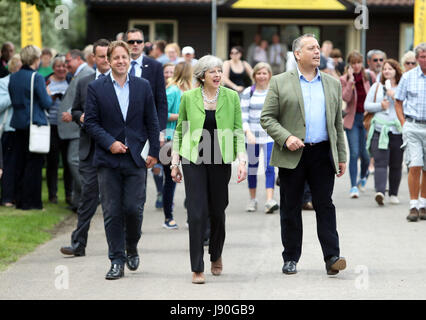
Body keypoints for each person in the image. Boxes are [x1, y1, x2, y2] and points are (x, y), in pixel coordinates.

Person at [260, 33, 347, 276]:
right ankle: (290, 258)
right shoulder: (279, 82)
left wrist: (341, 156)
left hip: (322, 153)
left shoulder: (333, 84)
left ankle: (332, 257)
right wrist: (286, 137)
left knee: (325, 205)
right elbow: (266, 117)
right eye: (311, 48)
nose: (318, 51)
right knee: (290, 207)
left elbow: (337, 125)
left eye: (319, 47)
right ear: (298, 54)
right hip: (292, 153)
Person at [85, 40, 160, 280]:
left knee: (133, 209)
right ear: (108, 60)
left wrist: (154, 152)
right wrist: (110, 143)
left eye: (124, 57)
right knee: (112, 212)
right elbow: (91, 123)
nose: (120, 61)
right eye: (115, 57)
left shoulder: (142, 86)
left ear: (130, 60)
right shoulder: (96, 88)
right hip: (108, 160)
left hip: (136, 159)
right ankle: (116, 260)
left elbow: (152, 121)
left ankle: (132, 246)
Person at [171, 55, 247, 284]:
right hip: (194, 157)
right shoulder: (189, 97)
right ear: (202, 75)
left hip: (219, 158)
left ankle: (216, 253)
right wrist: (175, 162)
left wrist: (242, 160)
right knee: (196, 213)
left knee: (218, 211)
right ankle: (197, 267)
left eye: (219, 71)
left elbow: (237, 130)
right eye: (212, 71)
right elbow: (180, 131)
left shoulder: (231, 97)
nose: (217, 75)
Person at [60, 39, 111, 257]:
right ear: (94, 59)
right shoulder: (84, 82)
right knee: (88, 197)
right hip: (90, 148)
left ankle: (127, 247)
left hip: (115, 150)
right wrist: (83, 118)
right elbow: (76, 110)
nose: (106, 60)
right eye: (102, 57)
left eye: (109, 56)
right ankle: (78, 243)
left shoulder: (125, 83)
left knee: (117, 200)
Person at [125, 28, 168, 208]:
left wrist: (160, 131)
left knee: (141, 175)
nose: (135, 45)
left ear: (144, 44)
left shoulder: (155, 66)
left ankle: (136, 217)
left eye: (139, 41)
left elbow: (161, 101)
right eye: (131, 42)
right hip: (121, 129)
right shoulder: (119, 64)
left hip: (145, 131)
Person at [8, 45, 52, 210]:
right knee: (34, 165)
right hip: (34, 124)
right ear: (36, 59)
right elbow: (46, 103)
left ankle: (19, 200)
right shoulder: (37, 77)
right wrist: (48, 94)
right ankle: (32, 202)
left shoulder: (14, 76)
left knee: (19, 163)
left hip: (18, 123)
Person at [59, 49, 95, 212]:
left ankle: (92, 194)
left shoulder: (87, 73)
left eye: (68, 61)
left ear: (78, 59)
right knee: (76, 162)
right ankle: (78, 202)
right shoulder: (79, 74)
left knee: (73, 160)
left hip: (78, 126)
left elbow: (85, 100)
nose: (66, 65)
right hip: (74, 126)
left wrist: (72, 113)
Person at [364, 59, 404, 206]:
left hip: (397, 130)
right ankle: (380, 192)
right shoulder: (376, 87)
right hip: (380, 129)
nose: (387, 71)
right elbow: (366, 105)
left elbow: (407, 106)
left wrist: (395, 96)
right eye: (385, 69)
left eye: (390, 69)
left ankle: (393, 193)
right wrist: (380, 105)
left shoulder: (402, 87)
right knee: (380, 162)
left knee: (395, 164)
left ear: (396, 71)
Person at [240, 62, 278, 213]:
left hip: (270, 136)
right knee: (252, 168)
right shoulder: (248, 92)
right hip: (252, 136)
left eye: (264, 73)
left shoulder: (274, 92)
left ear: (269, 75)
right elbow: (243, 115)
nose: (262, 76)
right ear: (254, 75)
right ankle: (252, 199)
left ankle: (269, 200)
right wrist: (247, 132)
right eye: (259, 73)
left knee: (270, 167)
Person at [395, 42, 426, 222]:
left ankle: (423, 203)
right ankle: (413, 205)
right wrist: (403, 123)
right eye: (422, 56)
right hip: (413, 125)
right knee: (415, 164)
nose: (424, 60)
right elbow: (398, 101)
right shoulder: (408, 77)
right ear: (417, 58)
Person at [161, 61, 193, 230]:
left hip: (189, 139)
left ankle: (191, 216)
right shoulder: (172, 90)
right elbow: (162, 113)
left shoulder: (192, 92)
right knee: (170, 180)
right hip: (170, 138)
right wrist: (180, 115)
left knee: (193, 179)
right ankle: (168, 217)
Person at [340, 51, 375, 198]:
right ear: (349, 64)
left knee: (366, 155)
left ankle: (363, 177)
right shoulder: (344, 79)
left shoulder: (369, 76)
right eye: (353, 63)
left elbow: (374, 95)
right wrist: (350, 81)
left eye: (358, 62)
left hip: (367, 119)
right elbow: (345, 98)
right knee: (354, 153)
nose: (356, 66)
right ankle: (353, 186)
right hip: (352, 120)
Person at [45, 55, 73, 205]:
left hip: (68, 127)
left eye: (64, 66)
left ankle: (69, 194)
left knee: (68, 162)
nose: (61, 69)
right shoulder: (46, 81)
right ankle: (52, 194)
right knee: (52, 162)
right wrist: (52, 98)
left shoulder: (71, 81)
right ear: (53, 68)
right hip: (52, 126)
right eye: (58, 66)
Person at [0, 54, 21, 207]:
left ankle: (16, 196)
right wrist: (14, 94)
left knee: (19, 164)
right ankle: (7, 197)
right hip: (7, 128)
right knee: (7, 164)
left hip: (22, 128)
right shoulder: (3, 83)